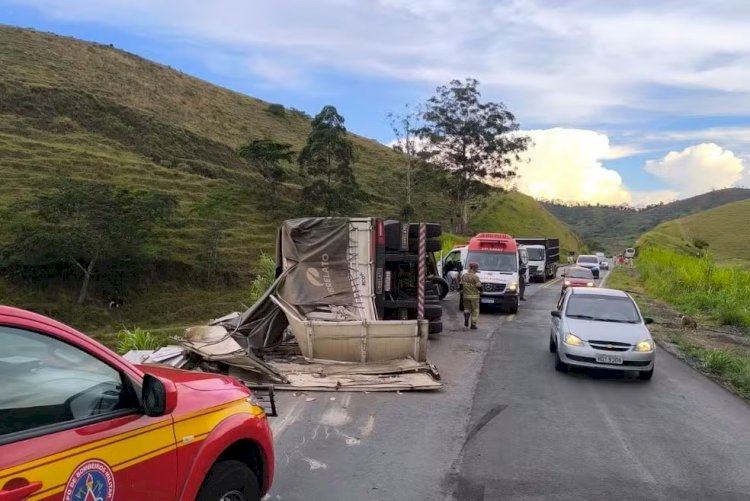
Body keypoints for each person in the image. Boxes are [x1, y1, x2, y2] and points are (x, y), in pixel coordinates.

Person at [461, 262, 482, 330]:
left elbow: (460, 285)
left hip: (466, 296)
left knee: (467, 309)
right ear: (474, 268)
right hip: (474, 297)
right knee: (475, 310)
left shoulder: (464, 275)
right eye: (476, 268)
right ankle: (473, 324)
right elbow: (479, 286)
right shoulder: (475, 277)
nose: (477, 270)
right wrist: (482, 291)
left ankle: (466, 317)